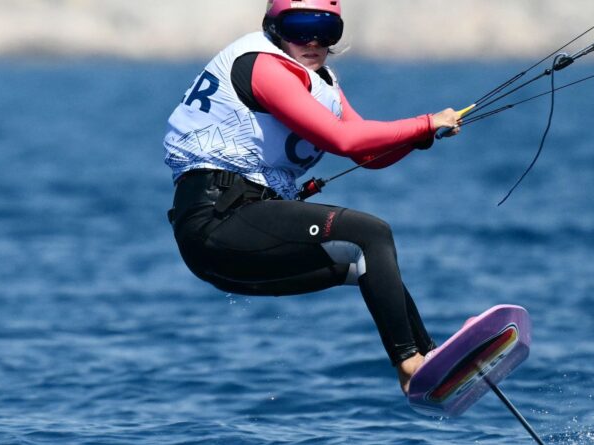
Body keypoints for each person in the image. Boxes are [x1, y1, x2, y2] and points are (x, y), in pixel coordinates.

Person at [163, 0, 460, 394]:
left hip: (235, 237)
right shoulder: (265, 67)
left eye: (327, 30)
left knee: (368, 265)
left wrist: (420, 137)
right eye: (301, 26)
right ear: (274, 28)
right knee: (370, 234)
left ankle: (430, 363)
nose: (314, 40)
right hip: (216, 222)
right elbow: (342, 139)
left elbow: (366, 154)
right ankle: (409, 365)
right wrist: (424, 121)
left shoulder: (322, 82)